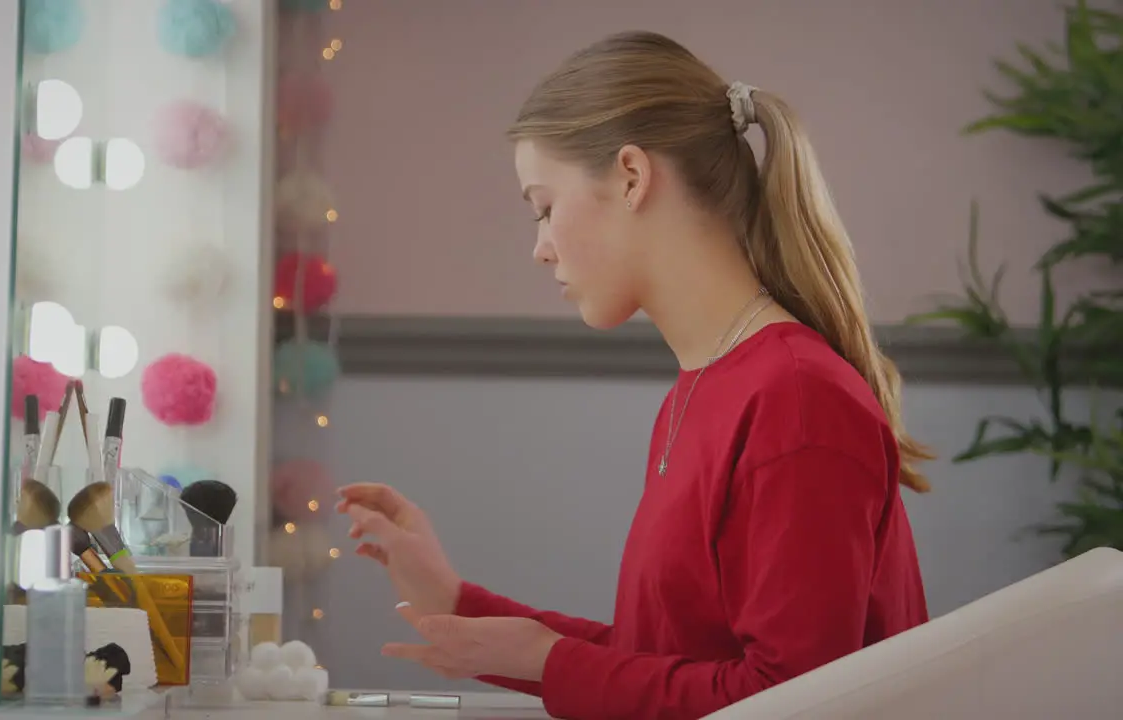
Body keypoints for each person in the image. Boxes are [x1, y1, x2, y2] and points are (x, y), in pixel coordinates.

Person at [336, 30, 933, 720]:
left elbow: (788, 701)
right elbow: (670, 664)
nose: (541, 247)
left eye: (545, 207)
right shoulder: (704, 390)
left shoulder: (795, 399)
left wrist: (546, 659)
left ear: (630, 176)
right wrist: (455, 600)